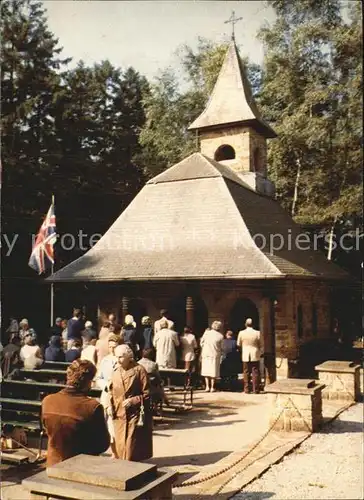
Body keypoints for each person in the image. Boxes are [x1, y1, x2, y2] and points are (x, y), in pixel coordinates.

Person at [42, 359, 110, 466]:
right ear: (87, 382)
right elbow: (102, 444)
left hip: (53, 463)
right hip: (80, 467)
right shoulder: (93, 407)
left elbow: (47, 430)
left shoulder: (48, 401)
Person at [110, 344, 153, 461]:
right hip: (119, 413)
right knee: (120, 445)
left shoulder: (139, 370)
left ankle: (129, 466)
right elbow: (111, 391)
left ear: (129, 356)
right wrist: (110, 406)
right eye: (116, 357)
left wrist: (134, 400)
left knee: (130, 445)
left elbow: (148, 393)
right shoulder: (116, 370)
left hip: (134, 413)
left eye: (120, 357)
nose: (118, 360)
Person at [95, 334, 120, 458]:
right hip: (107, 395)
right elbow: (99, 378)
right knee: (108, 425)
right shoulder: (105, 360)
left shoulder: (124, 360)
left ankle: (121, 452)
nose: (112, 349)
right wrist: (106, 385)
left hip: (120, 396)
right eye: (110, 347)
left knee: (117, 426)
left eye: (114, 347)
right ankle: (114, 453)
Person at [237, 318, 261, 394]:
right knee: (255, 372)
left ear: (245, 324)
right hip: (254, 353)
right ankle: (255, 389)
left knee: (246, 372)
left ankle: (246, 389)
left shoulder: (241, 333)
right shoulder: (257, 333)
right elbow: (261, 344)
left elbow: (238, 344)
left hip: (245, 353)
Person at [200, 321, 224, 392]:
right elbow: (222, 347)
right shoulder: (220, 336)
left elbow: (201, 343)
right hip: (215, 354)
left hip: (206, 353)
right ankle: (212, 387)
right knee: (213, 370)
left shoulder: (206, 333)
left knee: (206, 370)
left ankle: (207, 386)